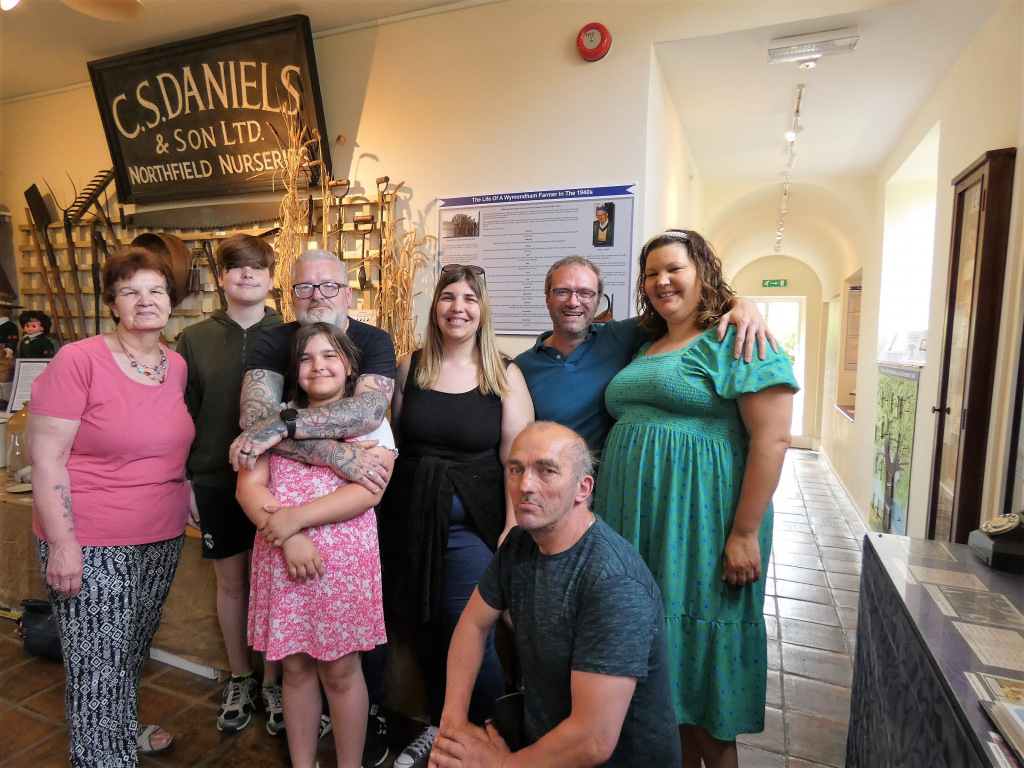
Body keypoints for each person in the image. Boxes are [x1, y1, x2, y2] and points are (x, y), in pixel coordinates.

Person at [595, 230, 797, 768]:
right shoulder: (645, 343)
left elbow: (773, 438)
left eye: (675, 269)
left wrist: (745, 533)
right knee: (664, 680)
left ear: (703, 272)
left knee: (705, 688)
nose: (662, 281)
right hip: (640, 526)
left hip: (704, 527)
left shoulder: (739, 338)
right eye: (652, 273)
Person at [27, 247, 194, 766]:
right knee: (98, 666)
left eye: (156, 291)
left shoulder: (177, 364)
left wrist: (184, 486)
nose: (146, 301)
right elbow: (47, 456)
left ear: (171, 301)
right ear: (113, 303)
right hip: (92, 539)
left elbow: (165, 439)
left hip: (160, 533)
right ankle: (102, 755)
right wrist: (62, 543)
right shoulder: (79, 360)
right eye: (131, 291)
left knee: (129, 653)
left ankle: (119, 732)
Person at [429, 422, 680, 768]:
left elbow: (592, 741)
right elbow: (472, 626)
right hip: (544, 747)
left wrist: (499, 765)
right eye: (516, 469)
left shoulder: (613, 582)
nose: (524, 486)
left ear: (582, 488)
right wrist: (452, 722)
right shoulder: (520, 543)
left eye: (546, 471)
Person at [229, 248, 396, 765]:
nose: (317, 366)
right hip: (282, 555)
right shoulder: (277, 401)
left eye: (330, 358)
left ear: (351, 367)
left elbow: (369, 486)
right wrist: (288, 532)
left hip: (341, 561)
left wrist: (296, 518)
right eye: (306, 359)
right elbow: (248, 482)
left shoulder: (373, 423)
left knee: (342, 672)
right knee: (296, 669)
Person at [383, 264, 534, 768]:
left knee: (467, 632)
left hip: (474, 525)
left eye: (470, 298)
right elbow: (398, 442)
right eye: (449, 296)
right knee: (423, 626)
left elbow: (519, 459)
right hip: (411, 521)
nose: (458, 307)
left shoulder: (504, 373)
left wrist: (514, 527)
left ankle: (496, 741)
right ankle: (442, 730)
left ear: (482, 309)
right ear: (436, 306)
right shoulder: (414, 366)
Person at [177, 234, 284, 735]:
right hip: (217, 480)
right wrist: (186, 480)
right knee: (233, 582)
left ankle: (277, 682)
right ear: (221, 278)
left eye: (256, 268)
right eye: (236, 268)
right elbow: (182, 414)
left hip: (278, 480)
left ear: (270, 277)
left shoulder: (290, 332)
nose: (246, 276)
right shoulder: (195, 339)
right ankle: (241, 675)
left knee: (279, 584)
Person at [514, 255, 774, 452]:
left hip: (617, 482)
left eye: (585, 293)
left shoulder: (623, 335)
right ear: (547, 298)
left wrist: (741, 303)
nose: (574, 302)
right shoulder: (521, 368)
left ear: (598, 301)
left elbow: (684, 306)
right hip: (556, 494)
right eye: (562, 291)